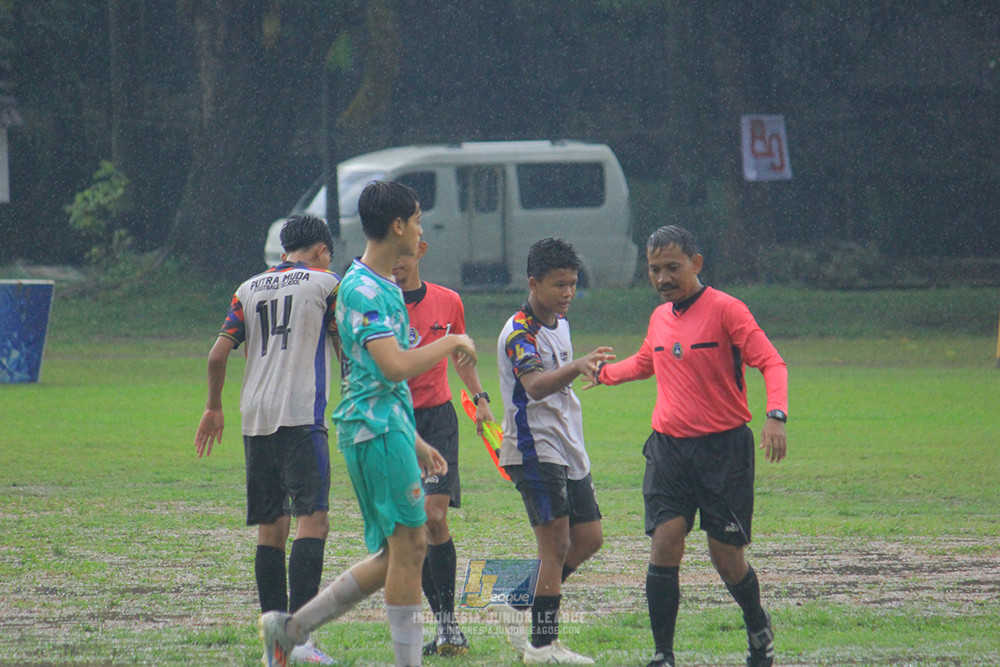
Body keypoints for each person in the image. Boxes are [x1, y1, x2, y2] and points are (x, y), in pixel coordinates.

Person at [259, 180, 478, 667]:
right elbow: (395, 366)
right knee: (410, 547)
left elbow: (378, 380)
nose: (421, 228)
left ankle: (290, 630)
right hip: (371, 432)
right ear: (398, 226)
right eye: (417, 219)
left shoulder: (378, 285)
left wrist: (413, 439)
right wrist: (452, 342)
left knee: (398, 553)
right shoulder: (363, 290)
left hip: (386, 429)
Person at [587, 225, 788, 667]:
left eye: (672, 267)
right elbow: (646, 362)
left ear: (696, 264)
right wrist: (603, 373)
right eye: (654, 270)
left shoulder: (727, 310)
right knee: (665, 542)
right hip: (669, 450)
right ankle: (663, 654)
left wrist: (775, 416)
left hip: (724, 451)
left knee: (727, 558)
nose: (662, 278)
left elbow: (771, 362)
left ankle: (758, 626)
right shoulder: (660, 317)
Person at [195, 214, 341, 665]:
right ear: (320, 250)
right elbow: (345, 345)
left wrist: (213, 406)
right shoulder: (326, 283)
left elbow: (218, 353)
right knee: (313, 521)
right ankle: (300, 639)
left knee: (270, 526)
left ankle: (275, 642)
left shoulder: (249, 287)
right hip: (301, 413)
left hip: (254, 418)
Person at [495, 237, 615, 665]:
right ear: (534, 283)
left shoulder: (559, 321)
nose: (567, 293)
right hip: (534, 448)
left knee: (589, 538)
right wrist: (576, 366)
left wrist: (581, 367)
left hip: (567, 446)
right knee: (557, 545)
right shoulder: (519, 333)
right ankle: (543, 646)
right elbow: (535, 386)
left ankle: (516, 598)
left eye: (572, 283)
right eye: (559, 284)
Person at [392, 238, 496, 657]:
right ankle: (440, 626)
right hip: (396, 423)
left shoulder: (448, 301)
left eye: (403, 253)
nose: (395, 262)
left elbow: (462, 357)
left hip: (437, 421)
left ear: (421, 249)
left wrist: (482, 399)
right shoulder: (378, 306)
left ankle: (449, 625)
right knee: (411, 529)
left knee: (434, 517)